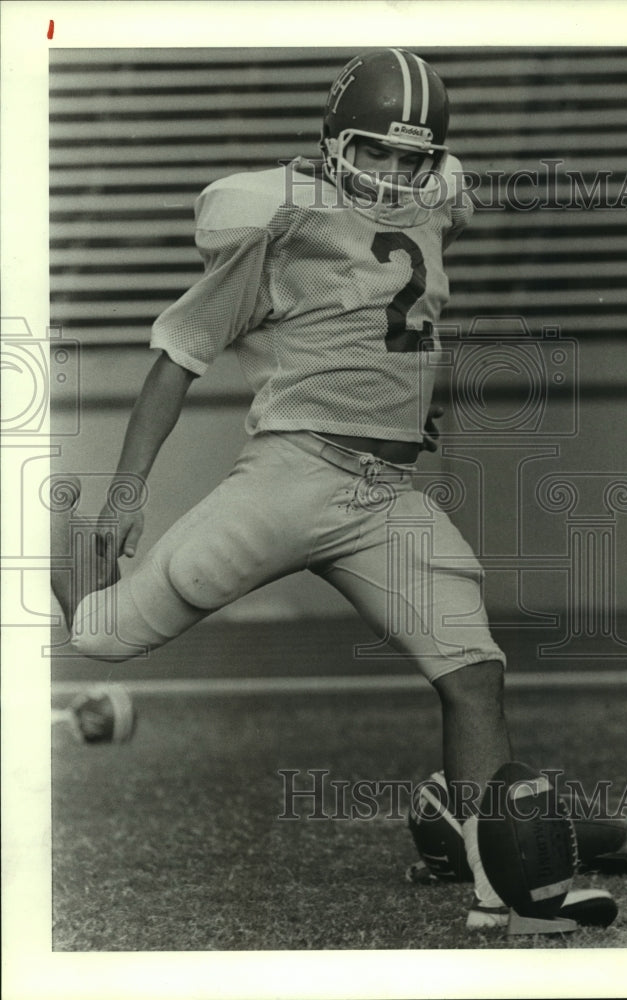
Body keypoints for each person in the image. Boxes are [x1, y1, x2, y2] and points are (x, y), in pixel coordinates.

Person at [51, 48, 514, 930]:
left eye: (408, 158)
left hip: (386, 495)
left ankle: (502, 886)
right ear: (335, 145)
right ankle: (49, 524)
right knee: (102, 637)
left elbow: (446, 196)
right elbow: (178, 353)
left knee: (475, 674)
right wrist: (123, 495)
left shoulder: (434, 198)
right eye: (372, 153)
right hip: (294, 474)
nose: (390, 174)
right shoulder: (279, 226)